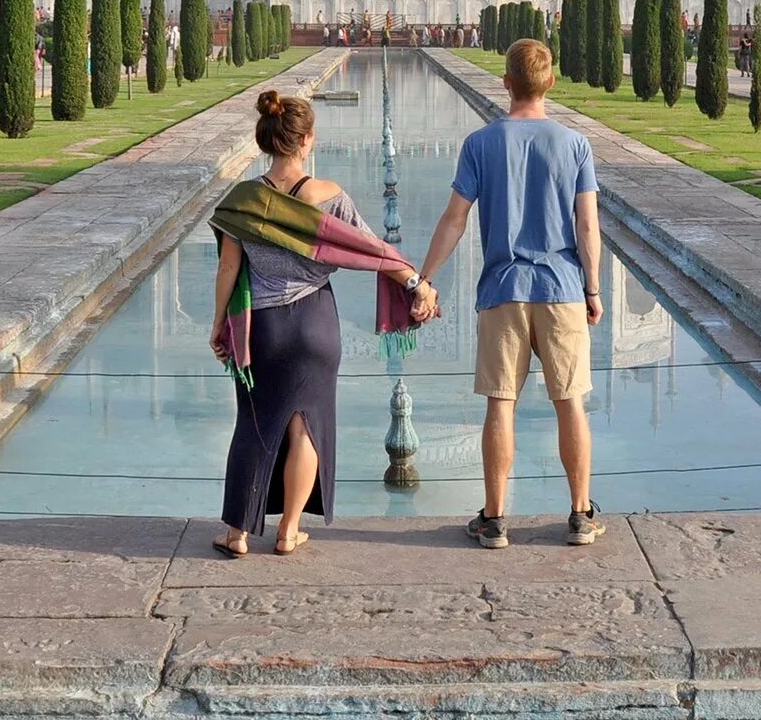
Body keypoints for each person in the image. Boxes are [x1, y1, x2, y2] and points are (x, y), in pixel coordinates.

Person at [208, 91, 434, 558]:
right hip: (316, 326)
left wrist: (218, 324)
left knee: (253, 425)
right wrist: (417, 284)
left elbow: (228, 270)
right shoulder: (329, 197)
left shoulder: (242, 202)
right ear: (306, 141)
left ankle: (237, 534)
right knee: (305, 427)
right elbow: (374, 251)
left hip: (263, 328)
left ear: (265, 141)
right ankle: (289, 531)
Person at [417, 39, 605, 550]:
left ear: (506, 83)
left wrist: (424, 277)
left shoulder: (481, 144)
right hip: (562, 287)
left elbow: (455, 219)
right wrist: (592, 288)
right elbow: (587, 225)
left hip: (503, 289)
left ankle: (495, 519)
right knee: (571, 403)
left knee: (501, 404)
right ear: (551, 83)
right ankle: (581, 515)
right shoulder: (574, 144)